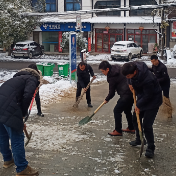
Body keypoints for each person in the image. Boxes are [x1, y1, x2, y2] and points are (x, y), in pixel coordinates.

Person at [0, 64, 40, 176]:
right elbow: (27, 96)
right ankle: (22, 168)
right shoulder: (32, 78)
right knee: (17, 138)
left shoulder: (16, 78)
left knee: (2, 135)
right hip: (9, 109)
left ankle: (8, 160)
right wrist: (21, 115)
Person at [122, 61, 162, 158]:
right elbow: (128, 77)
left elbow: (148, 95)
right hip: (142, 97)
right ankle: (139, 139)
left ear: (135, 72)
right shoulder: (133, 66)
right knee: (135, 119)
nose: (127, 78)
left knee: (147, 125)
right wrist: (129, 83)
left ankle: (150, 148)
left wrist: (138, 105)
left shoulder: (147, 79)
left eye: (128, 76)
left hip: (153, 100)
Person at [99, 61, 134, 136]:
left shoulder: (112, 77)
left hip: (126, 94)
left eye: (103, 71)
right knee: (127, 110)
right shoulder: (116, 68)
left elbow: (112, 92)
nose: (102, 73)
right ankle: (131, 127)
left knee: (117, 110)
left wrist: (106, 99)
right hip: (131, 92)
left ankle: (118, 130)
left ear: (107, 69)